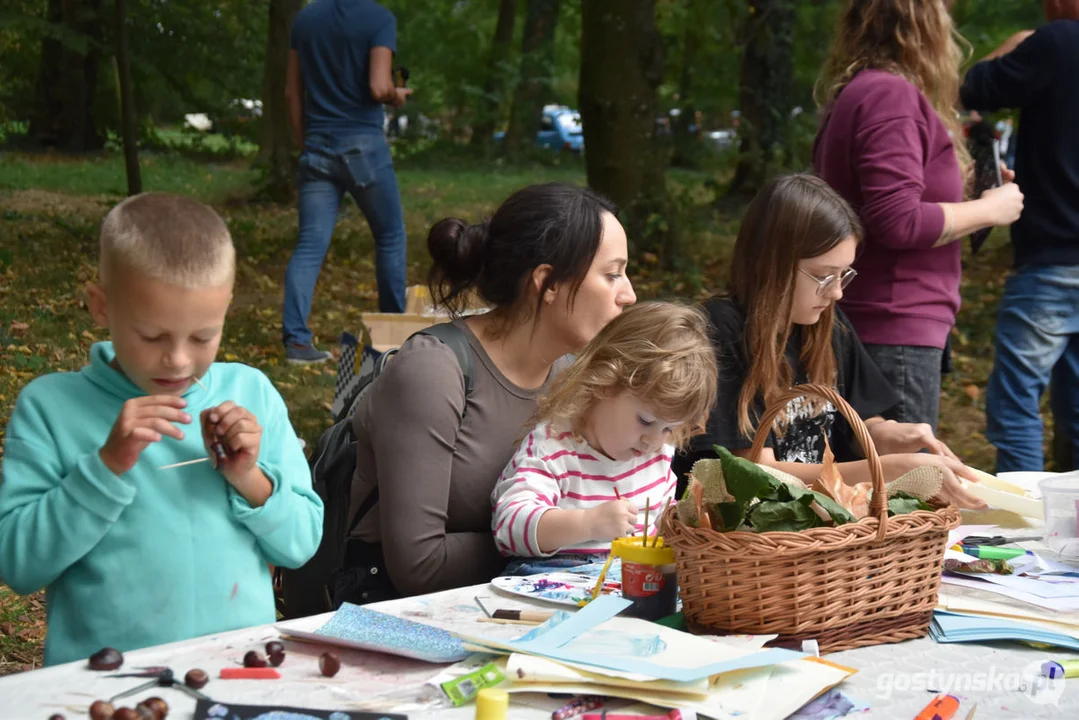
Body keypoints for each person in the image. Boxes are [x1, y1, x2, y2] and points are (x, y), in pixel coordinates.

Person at [0, 193, 324, 666]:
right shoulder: (51, 408)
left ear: (226, 309)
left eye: (202, 336)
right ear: (100, 307)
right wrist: (106, 467)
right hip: (103, 683)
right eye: (152, 337)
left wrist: (248, 478)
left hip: (236, 670)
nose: (177, 359)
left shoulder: (251, 393)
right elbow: (19, 565)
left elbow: (300, 544)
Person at [344, 183, 637, 600]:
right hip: (393, 620)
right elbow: (419, 566)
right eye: (612, 275)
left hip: (518, 610)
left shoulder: (571, 375)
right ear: (547, 283)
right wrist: (559, 534)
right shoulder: (432, 372)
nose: (629, 294)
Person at [672, 174, 987, 510]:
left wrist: (886, 435)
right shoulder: (719, 329)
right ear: (772, 265)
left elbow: (860, 418)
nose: (837, 292)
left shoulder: (827, 323)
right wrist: (885, 469)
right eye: (824, 275)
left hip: (824, 535)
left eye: (844, 274)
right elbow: (753, 472)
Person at [813, 0, 1024, 429]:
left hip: (880, 326)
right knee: (900, 490)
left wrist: (964, 191)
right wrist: (989, 209)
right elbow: (896, 220)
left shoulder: (867, 91)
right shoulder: (890, 95)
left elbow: (883, 204)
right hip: (891, 328)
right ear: (926, 22)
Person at [491, 302, 717, 567]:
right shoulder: (554, 448)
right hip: (554, 580)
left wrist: (681, 522)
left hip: (632, 583)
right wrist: (587, 524)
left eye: (668, 429)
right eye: (645, 420)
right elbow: (509, 527)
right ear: (605, 383)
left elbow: (661, 523)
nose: (654, 441)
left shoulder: (657, 455)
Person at [959, 4, 1079, 471]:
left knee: (1015, 408)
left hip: (1053, 263)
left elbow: (970, 89)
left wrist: (1015, 45)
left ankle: (1025, 535)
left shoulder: (1059, 42)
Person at [282, 0, 413, 363]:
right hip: (364, 148)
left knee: (310, 244)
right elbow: (377, 85)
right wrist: (395, 95)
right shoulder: (378, 18)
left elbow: (292, 93)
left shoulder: (305, 18)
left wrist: (305, 144)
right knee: (389, 235)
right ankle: (393, 339)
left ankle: (296, 341)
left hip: (317, 145)